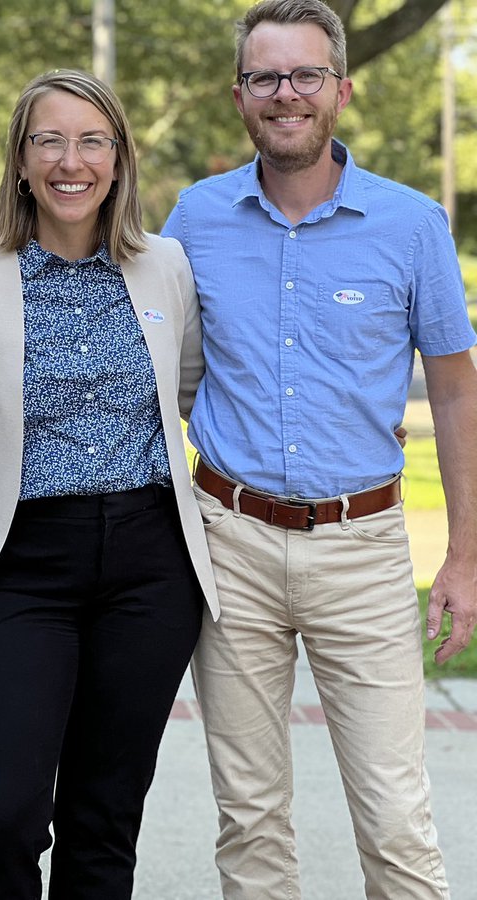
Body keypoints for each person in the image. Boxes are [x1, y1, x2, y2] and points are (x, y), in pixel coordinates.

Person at [160, 2, 477, 897]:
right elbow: (125, 310)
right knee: (250, 818)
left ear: (340, 89)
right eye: (266, 77)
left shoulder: (412, 226)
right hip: (230, 548)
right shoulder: (196, 217)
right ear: (240, 96)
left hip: (364, 550)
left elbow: (456, 391)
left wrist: (465, 554)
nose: (285, 94)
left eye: (304, 75)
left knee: (395, 818)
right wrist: (3, 256)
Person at [0, 68, 221, 900]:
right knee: (5, 815)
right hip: (19, 572)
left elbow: (199, 400)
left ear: (118, 160)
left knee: (104, 818)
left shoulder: (167, 268)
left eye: (91, 141)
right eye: (49, 139)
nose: (70, 160)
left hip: (151, 569)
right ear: (20, 159)